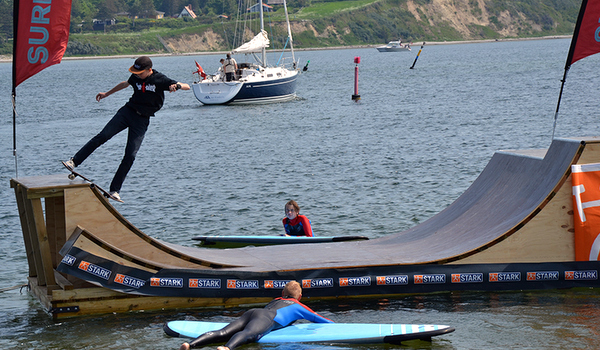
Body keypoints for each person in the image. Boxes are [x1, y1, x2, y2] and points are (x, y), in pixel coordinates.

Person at [63, 56, 190, 201]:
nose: (137, 75)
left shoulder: (160, 79)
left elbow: (186, 85)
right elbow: (125, 84)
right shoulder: (135, 76)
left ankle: (114, 190)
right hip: (127, 112)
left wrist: (177, 86)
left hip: (142, 120)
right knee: (103, 136)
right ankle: (74, 161)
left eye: (140, 73)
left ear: (149, 70)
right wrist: (106, 94)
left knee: (130, 155)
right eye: (136, 72)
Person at [180, 281, 332, 350]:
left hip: (253, 312)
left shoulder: (277, 299)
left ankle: (190, 345)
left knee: (223, 332)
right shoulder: (299, 306)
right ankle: (227, 348)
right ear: (299, 297)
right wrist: (334, 325)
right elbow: (319, 319)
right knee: (248, 334)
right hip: (267, 318)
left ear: (282, 294)